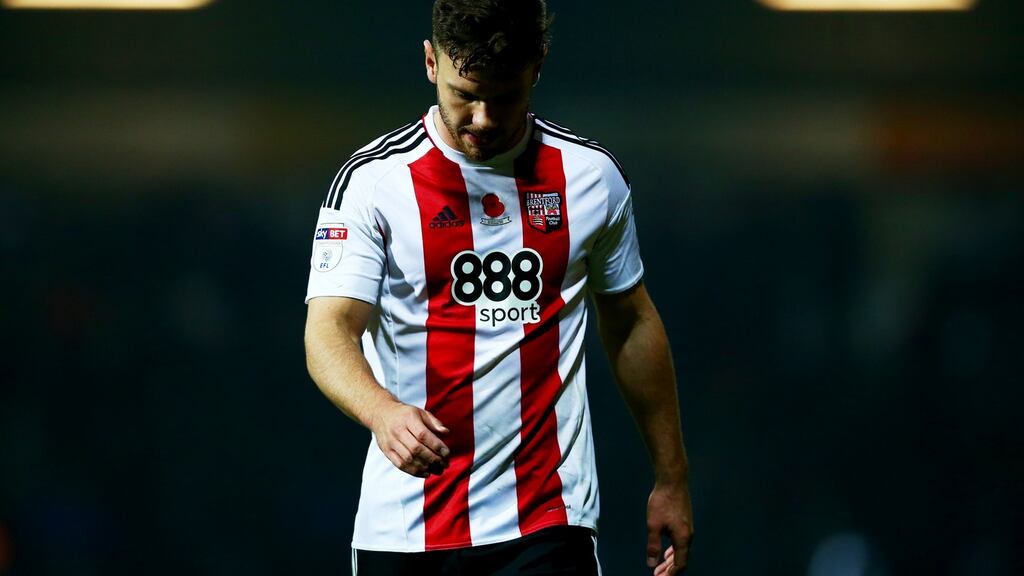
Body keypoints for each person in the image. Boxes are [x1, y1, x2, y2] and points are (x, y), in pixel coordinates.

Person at [303, 1, 693, 574]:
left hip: (547, 521)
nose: (483, 117)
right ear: (431, 63)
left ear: (537, 67)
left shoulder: (590, 178)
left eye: (504, 96)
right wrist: (382, 411)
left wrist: (672, 477)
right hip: (407, 531)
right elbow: (328, 330)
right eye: (467, 93)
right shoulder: (371, 184)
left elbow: (631, 322)